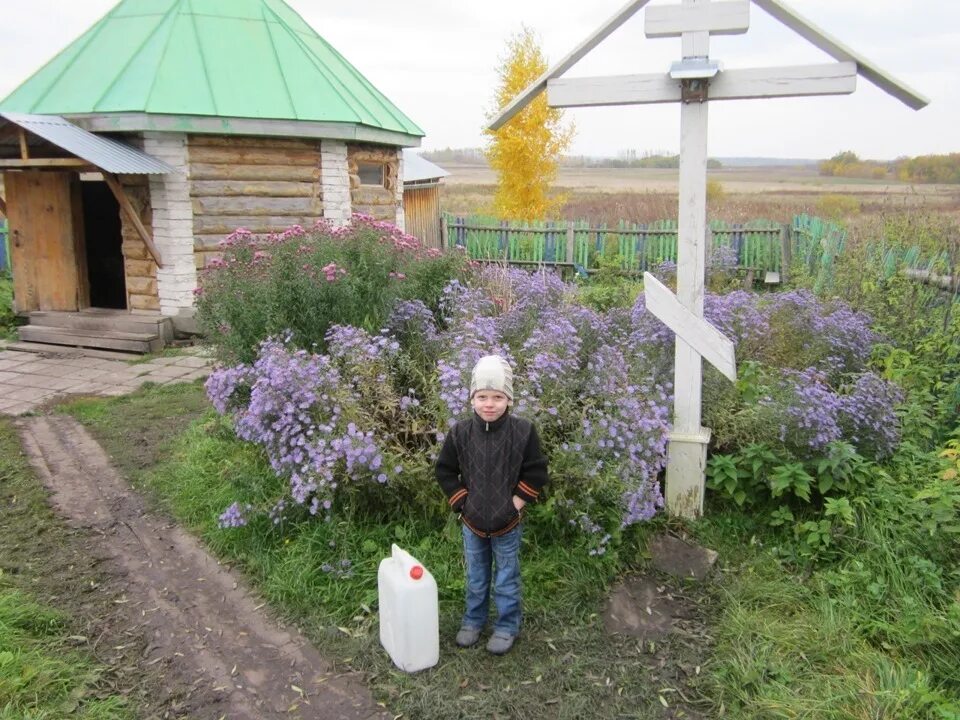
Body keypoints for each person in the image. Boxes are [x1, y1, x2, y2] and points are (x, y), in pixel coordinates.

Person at [435, 354, 549, 655]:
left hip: (507, 524)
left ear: (508, 399)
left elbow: (537, 471)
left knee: (507, 577)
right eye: (482, 396)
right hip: (472, 522)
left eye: (497, 397)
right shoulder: (460, 433)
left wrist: (516, 503)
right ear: (472, 398)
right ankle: (473, 621)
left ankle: (507, 625)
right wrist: (462, 502)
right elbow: (444, 470)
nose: (489, 403)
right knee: (476, 576)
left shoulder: (523, 431)